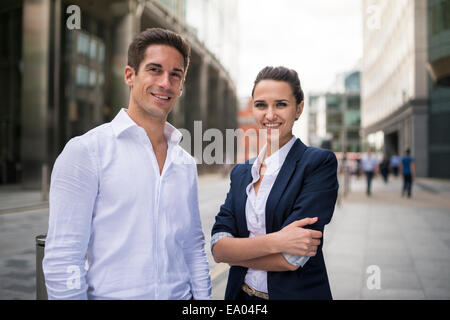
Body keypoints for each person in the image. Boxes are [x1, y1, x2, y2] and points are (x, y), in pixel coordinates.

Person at [43, 28, 211, 300]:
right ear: (130, 75)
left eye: (175, 74)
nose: (165, 83)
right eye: (154, 70)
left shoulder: (185, 164)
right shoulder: (86, 151)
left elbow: (193, 247)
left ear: (181, 86)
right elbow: (64, 257)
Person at [211, 66, 339, 300]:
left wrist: (236, 254)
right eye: (261, 105)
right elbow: (218, 247)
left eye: (281, 104)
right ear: (253, 109)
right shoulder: (241, 172)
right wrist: (277, 241)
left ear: (298, 108)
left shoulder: (318, 164)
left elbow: (292, 259)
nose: (270, 115)